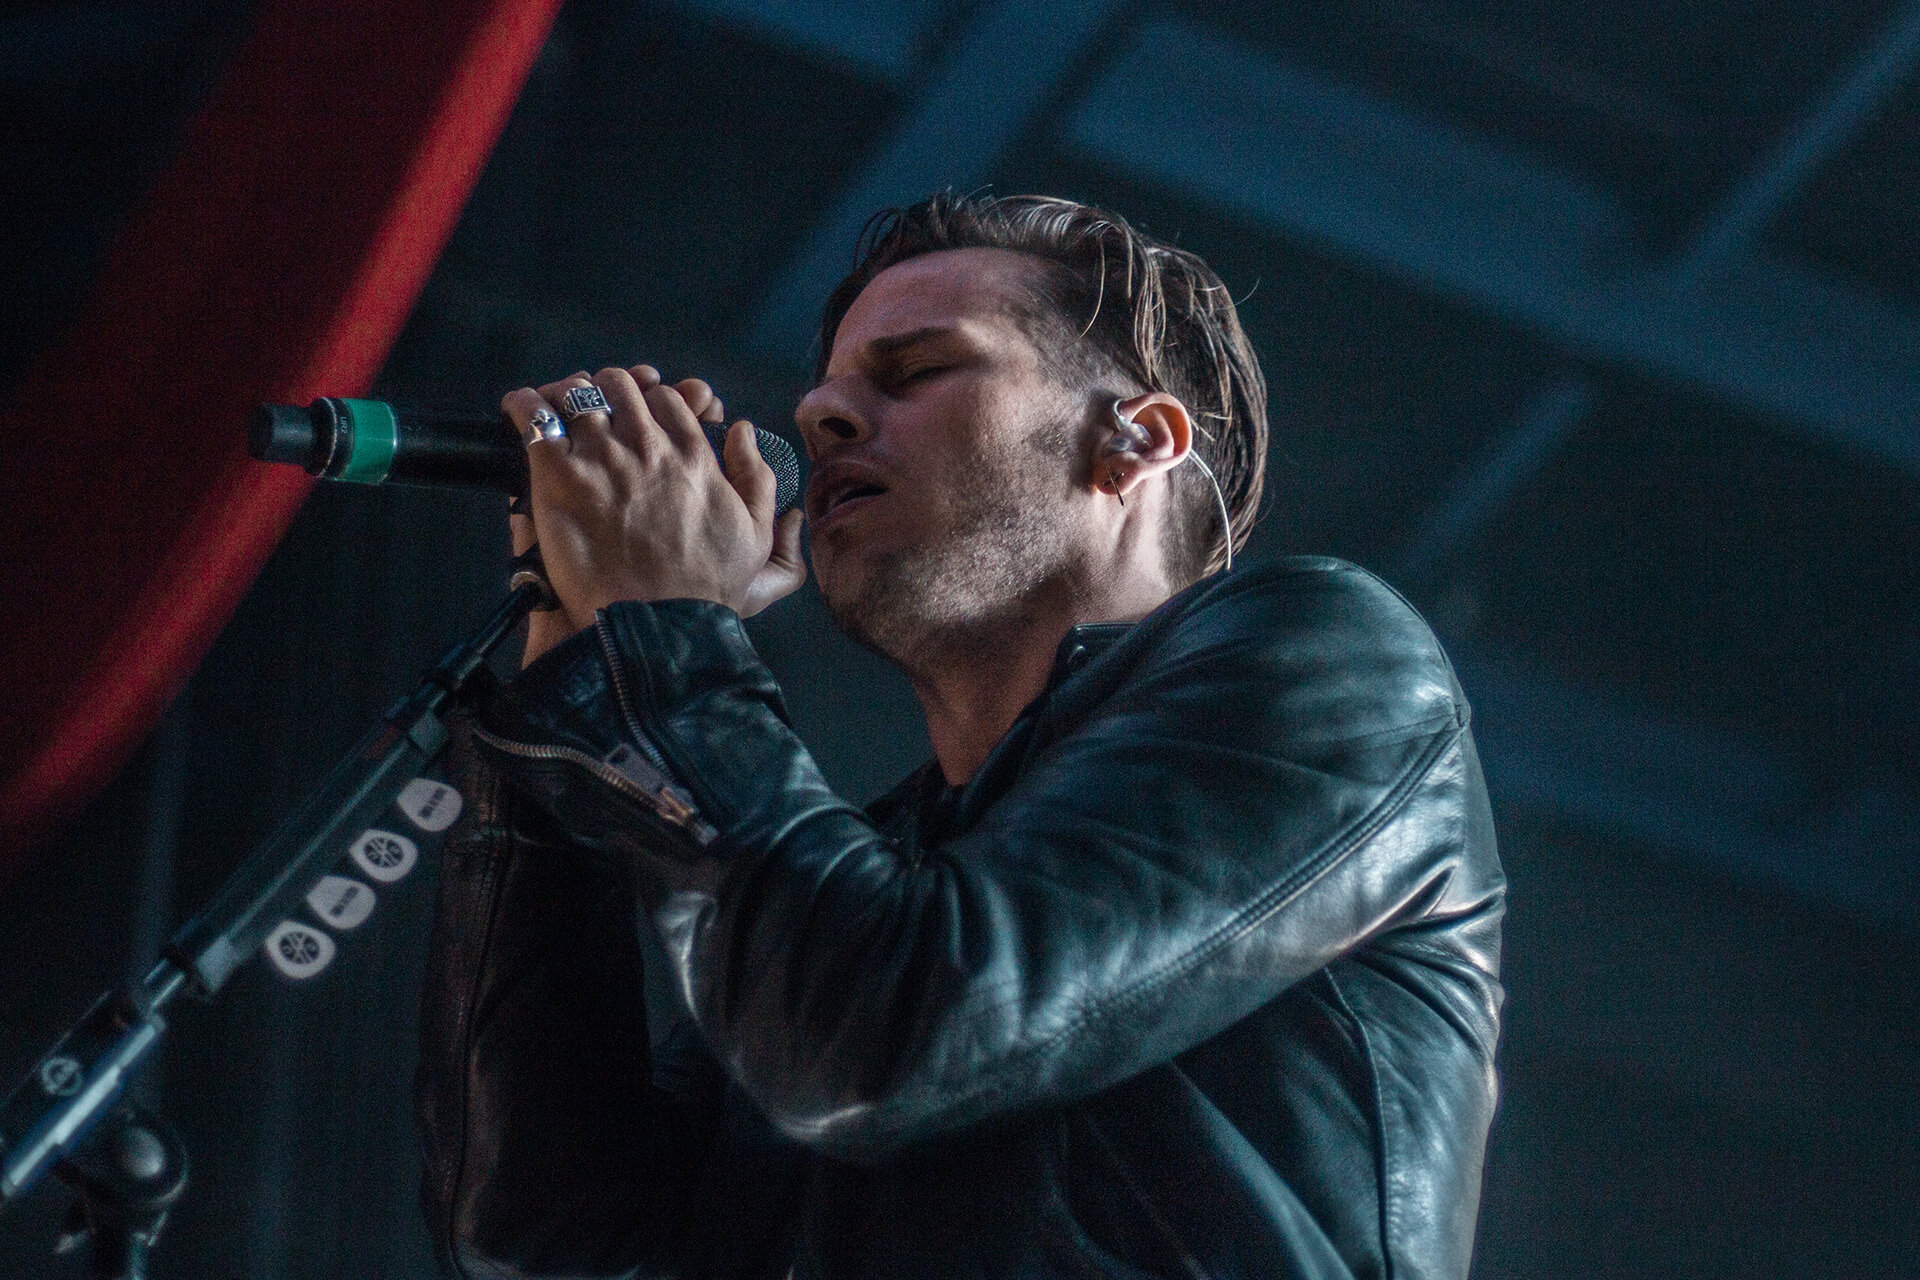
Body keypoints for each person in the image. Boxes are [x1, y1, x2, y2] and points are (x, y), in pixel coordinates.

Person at [415, 192, 1505, 1280]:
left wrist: (664, 633)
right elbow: (543, 1240)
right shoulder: (861, 887)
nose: (823, 414)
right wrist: (574, 677)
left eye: (915, 371)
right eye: (824, 394)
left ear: (1136, 440)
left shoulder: (1334, 661)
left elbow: (886, 1036)